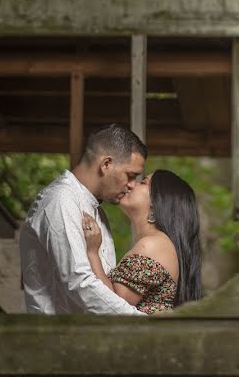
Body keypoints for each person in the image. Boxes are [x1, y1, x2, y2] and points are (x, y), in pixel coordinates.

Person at [19, 124, 147, 315]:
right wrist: (143, 323)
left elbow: (103, 287)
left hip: (87, 337)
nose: (132, 185)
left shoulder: (97, 211)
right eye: (130, 175)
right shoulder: (61, 200)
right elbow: (79, 282)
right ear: (106, 164)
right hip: (57, 338)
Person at [82, 169, 202, 314]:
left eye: (143, 182)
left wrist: (92, 252)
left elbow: (112, 305)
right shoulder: (158, 244)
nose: (131, 185)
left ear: (157, 201)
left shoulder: (153, 245)